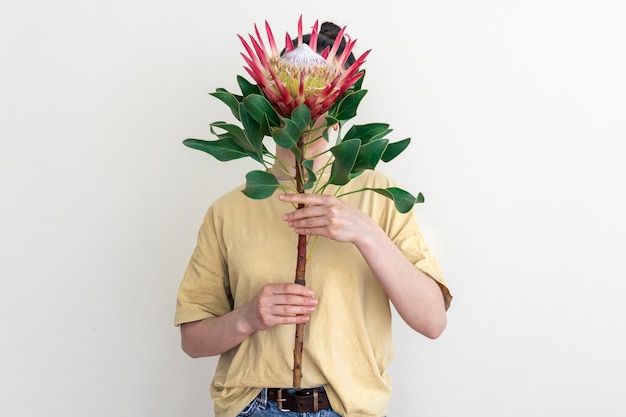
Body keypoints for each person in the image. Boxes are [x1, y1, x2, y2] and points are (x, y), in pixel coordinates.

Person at [174, 21, 453, 417]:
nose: (304, 104)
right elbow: (193, 340)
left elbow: (432, 322)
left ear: (341, 105)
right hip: (251, 407)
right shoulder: (229, 210)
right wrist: (248, 318)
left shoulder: (378, 195)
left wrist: (366, 234)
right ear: (267, 98)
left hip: (348, 408)